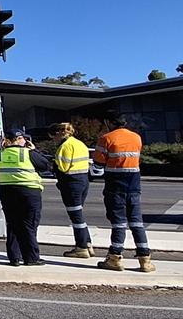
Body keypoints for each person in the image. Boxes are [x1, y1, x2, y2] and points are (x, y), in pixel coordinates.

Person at [93, 114, 154, 272]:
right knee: (136, 222)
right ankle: (145, 259)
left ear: (110, 122)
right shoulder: (136, 138)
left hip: (115, 185)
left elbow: (98, 164)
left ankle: (115, 257)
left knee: (119, 223)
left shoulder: (106, 138)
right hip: (133, 184)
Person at [0, 130, 51, 267]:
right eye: (23, 138)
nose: (24, 141)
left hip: (7, 191)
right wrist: (34, 151)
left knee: (13, 224)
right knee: (29, 224)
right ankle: (31, 257)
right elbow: (45, 166)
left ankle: (14, 257)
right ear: (18, 139)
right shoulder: (27, 153)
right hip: (29, 191)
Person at [49, 122, 95, 258]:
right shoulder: (79, 144)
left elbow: (63, 167)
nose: (53, 140)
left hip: (71, 182)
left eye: (53, 137)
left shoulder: (65, 146)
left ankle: (81, 247)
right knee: (78, 214)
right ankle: (87, 243)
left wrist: (54, 163)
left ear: (59, 133)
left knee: (76, 216)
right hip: (83, 180)